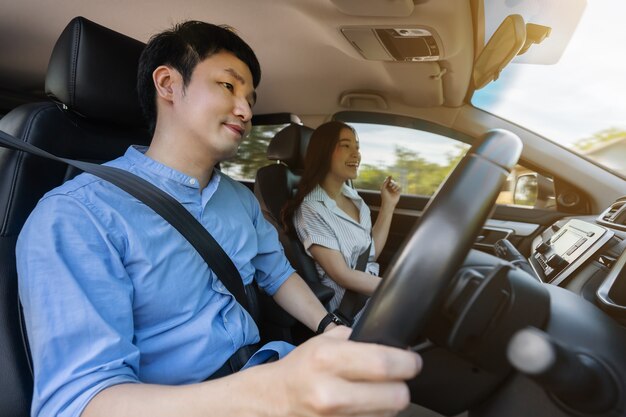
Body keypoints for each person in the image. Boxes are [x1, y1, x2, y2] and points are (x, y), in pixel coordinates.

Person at [16, 21, 421, 417]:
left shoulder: (238, 199)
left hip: (267, 364)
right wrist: (273, 394)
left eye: (252, 98)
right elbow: (78, 403)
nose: (245, 109)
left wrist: (329, 327)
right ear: (168, 84)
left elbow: (277, 274)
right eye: (228, 86)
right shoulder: (76, 215)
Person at [282, 121, 401, 323]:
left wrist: (388, 205)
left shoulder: (354, 198)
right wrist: (396, 288)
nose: (356, 154)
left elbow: (370, 253)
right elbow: (342, 274)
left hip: (374, 297)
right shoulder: (310, 208)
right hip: (351, 311)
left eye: (357, 147)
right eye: (346, 146)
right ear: (324, 152)